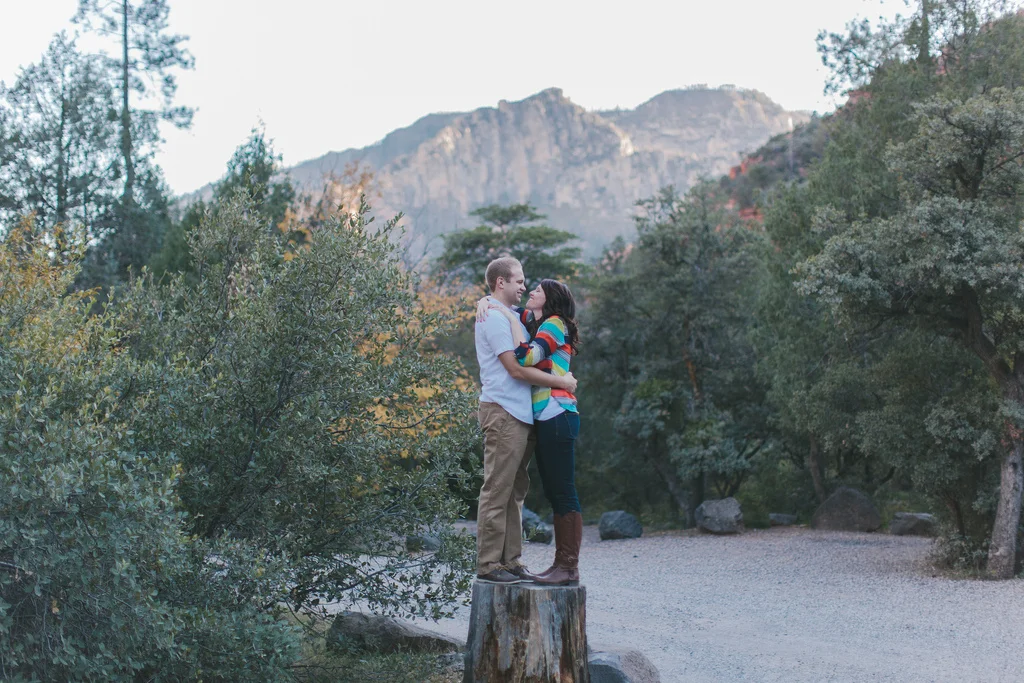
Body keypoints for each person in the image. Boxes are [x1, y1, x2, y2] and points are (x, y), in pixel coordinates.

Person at [474, 257, 578, 584]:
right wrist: (563, 381)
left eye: (528, 284)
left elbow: (528, 341)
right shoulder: (494, 317)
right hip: (503, 410)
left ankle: (512, 561)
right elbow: (518, 367)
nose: (525, 287)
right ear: (500, 282)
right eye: (519, 281)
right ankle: (490, 565)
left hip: (525, 414)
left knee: (516, 491)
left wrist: (493, 304)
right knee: (498, 489)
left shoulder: (524, 318)